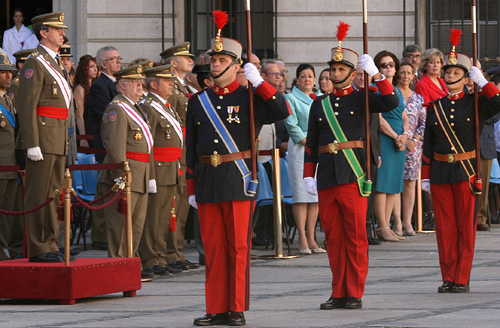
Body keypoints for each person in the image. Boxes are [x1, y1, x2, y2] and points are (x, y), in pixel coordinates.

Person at [186, 26, 289, 325]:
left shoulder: (250, 98)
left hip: (238, 179)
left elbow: (281, 110)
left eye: (221, 61)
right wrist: (191, 185)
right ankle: (215, 308)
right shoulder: (197, 102)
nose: (214, 64)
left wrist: (259, 82)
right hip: (207, 180)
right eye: (213, 60)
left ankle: (235, 308)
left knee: (238, 248)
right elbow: (191, 149)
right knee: (214, 250)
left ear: (235, 66)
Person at [304, 28, 399, 309]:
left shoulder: (364, 97)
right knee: (333, 237)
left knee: (355, 237)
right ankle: (338, 291)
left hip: (353, 175)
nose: (334, 73)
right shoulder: (320, 104)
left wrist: (379, 76)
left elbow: (392, 102)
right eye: (332, 68)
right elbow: (312, 142)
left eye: (341, 68)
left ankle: (354, 292)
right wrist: (309, 173)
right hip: (328, 176)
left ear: (352, 71)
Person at [422, 43, 500, 293]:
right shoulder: (435, 106)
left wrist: (484, 83)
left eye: (457, 73)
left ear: (467, 78)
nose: (451, 76)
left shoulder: (476, 103)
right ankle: (448, 276)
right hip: (441, 172)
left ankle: (461, 277)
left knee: (465, 227)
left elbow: (498, 104)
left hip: (466, 172)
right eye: (448, 73)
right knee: (445, 227)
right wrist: (425, 177)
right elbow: (428, 145)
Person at [17, 12, 72, 263]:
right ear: (43, 32)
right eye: (57, 30)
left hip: (58, 136)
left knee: (53, 194)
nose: (62, 34)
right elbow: (27, 105)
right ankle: (38, 246)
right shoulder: (35, 62)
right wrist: (32, 143)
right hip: (42, 136)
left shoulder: (56, 62)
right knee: (39, 194)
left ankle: (50, 242)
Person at [97, 61, 154, 281]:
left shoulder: (135, 108)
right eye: (135, 83)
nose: (141, 87)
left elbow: (146, 144)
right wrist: (120, 177)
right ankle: (119, 268)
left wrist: (150, 176)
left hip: (141, 173)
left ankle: (130, 266)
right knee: (121, 227)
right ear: (122, 87)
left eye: (141, 83)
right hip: (125, 175)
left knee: (136, 225)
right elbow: (116, 147)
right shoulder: (117, 109)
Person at [138, 64, 184, 276]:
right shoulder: (148, 106)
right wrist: (151, 175)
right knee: (153, 217)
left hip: (171, 168)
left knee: (165, 216)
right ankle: (149, 257)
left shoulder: (166, 106)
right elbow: (148, 143)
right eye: (167, 81)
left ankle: (160, 255)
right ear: (154, 84)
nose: (171, 84)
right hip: (158, 167)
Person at [160, 42, 199, 271]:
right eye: (186, 57)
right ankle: (168, 251)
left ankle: (176, 251)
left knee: (182, 202)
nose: (191, 60)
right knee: (173, 203)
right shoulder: (171, 86)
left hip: (185, 148)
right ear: (173, 62)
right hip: (176, 149)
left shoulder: (183, 85)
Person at [284, 63, 324, 254]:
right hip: (301, 147)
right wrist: (307, 140)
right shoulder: (291, 98)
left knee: (314, 195)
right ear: (297, 80)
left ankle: (312, 236)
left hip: (319, 147)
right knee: (301, 196)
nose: (307, 80)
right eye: (303, 76)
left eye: (310, 76)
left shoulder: (320, 98)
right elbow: (291, 124)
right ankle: (301, 237)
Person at [372, 51, 409, 242]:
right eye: (383, 65)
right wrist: (396, 136)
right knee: (383, 184)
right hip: (385, 139)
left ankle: (387, 225)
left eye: (390, 65)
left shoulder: (397, 90)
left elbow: (404, 116)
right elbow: (377, 118)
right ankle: (382, 226)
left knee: (393, 185)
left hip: (398, 140)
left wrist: (405, 135)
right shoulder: (376, 88)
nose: (388, 68)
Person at [87, 45, 122, 251]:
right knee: (106, 191)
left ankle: (109, 233)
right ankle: (101, 236)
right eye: (114, 59)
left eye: (119, 58)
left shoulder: (117, 83)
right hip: (107, 146)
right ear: (103, 64)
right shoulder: (100, 86)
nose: (119, 62)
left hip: (118, 145)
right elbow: (108, 115)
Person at [352, 63, 381, 245]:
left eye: (366, 75)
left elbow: (375, 128)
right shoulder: (351, 97)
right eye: (360, 75)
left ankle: (367, 229)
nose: (363, 78)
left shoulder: (372, 96)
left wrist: (377, 153)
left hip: (371, 151)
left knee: (369, 192)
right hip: (354, 152)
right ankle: (358, 229)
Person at [397, 61, 425, 236]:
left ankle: (407, 221)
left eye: (409, 73)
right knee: (394, 183)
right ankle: (397, 221)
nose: (405, 76)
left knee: (410, 183)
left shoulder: (418, 98)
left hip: (413, 147)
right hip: (395, 141)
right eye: (402, 72)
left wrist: (414, 139)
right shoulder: (392, 94)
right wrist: (402, 138)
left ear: (414, 76)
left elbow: (423, 123)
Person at [0, 54, 18, 260]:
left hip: (11, 165)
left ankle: (4, 246)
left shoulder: (7, 97)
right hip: (2, 165)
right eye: (3, 72)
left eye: (9, 72)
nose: (8, 75)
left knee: (9, 212)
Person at [73, 55, 99, 148]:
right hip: (85, 128)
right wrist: (83, 138)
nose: (95, 69)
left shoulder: (95, 86)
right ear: (84, 69)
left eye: (96, 66)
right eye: (92, 67)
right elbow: (79, 115)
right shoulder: (80, 88)